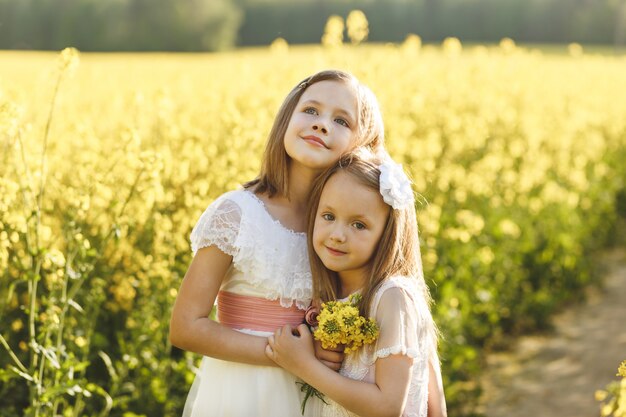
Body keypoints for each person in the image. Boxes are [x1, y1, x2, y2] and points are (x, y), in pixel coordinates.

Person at [169, 69, 386, 416]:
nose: (321, 124)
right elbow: (185, 328)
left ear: (364, 144)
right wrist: (290, 356)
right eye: (310, 111)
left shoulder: (348, 230)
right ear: (287, 119)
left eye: (341, 120)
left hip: (321, 394)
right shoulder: (237, 213)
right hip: (246, 391)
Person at [266, 150, 447, 417]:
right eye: (328, 216)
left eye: (359, 225)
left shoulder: (393, 296)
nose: (338, 235)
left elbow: (388, 407)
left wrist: (304, 365)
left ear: (387, 234)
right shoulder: (330, 294)